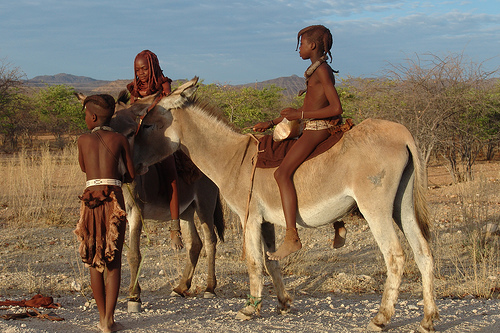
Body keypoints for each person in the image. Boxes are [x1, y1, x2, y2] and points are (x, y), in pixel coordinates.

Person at [253, 25, 347, 260]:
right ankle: (338, 222)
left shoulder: (322, 71)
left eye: (301, 44)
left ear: (313, 46)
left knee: (282, 174)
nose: (299, 49)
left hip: (319, 130)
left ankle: (292, 237)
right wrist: (273, 120)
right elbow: (310, 106)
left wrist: (300, 116)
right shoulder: (315, 70)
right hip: (310, 126)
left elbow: (336, 108)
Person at [74, 94, 136, 333]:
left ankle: (100, 318)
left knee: (93, 258)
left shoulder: (82, 140)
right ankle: (109, 321)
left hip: (90, 200)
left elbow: (83, 168)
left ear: (92, 116)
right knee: (114, 260)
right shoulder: (119, 139)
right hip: (114, 200)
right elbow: (130, 174)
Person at [127, 50, 183, 250]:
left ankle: (175, 228)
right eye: (137, 69)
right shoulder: (133, 89)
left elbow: (169, 111)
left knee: (170, 174)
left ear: (152, 67)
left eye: (144, 68)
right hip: (139, 137)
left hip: (159, 136)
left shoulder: (164, 86)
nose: (141, 73)